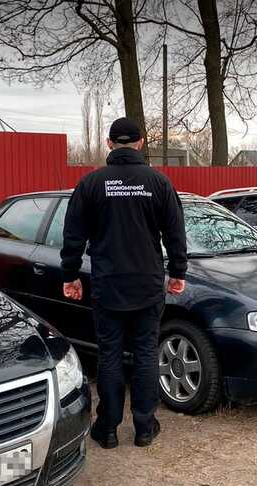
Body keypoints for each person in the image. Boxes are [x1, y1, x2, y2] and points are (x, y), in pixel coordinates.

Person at [61, 117, 187, 448]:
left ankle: (109, 428)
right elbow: (175, 232)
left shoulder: (91, 184)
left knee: (111, 354)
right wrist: (178, 272)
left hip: (108, 285)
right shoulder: (158, 182)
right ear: (142, 143)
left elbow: (73, 234)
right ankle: (145, 427)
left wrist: (70, 274)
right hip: (147, 284)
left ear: (109, 143)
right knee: (146, 353)